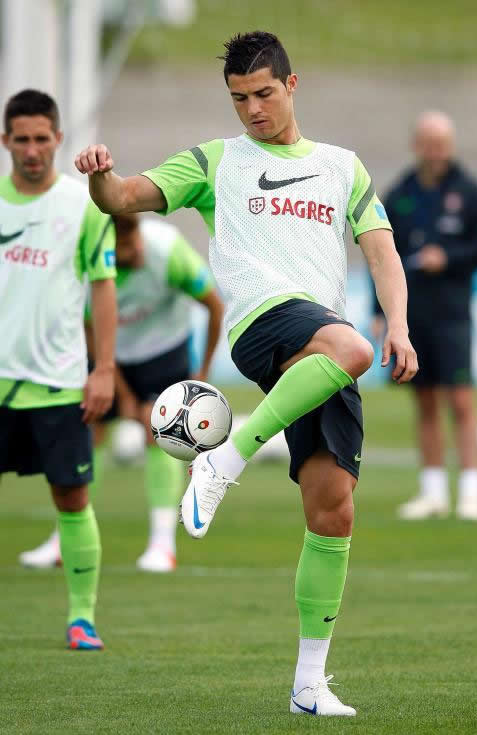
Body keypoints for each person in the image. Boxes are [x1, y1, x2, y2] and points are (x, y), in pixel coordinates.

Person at [75, 32, 417, 716]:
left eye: (263, 94)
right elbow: (126, 198)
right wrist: (98, 177)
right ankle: (222, 460)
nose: (252, 110)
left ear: (293, 85)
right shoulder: (214, 160)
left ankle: (307, 685)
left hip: (319, 332)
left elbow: (380, 249)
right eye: (238, 98)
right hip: (263, 318)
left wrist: (399, 323)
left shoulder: (342, 167)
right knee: (350, 348)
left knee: (333, 507)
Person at [21, 212, 223, 572]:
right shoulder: (83, 269)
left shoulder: (167, 248)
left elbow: (214, 304)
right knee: (90, 427)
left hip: (165, 347)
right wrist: (123, 394)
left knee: (155, 431)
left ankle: (163, 543)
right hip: (108, 352)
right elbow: (88, 330)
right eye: (126, 248)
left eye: (135, 241)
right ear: (107, 249)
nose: (136, 251)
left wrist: (203, 373)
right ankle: (63, 541)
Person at [0, 89, 117, 649]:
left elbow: (103, 290)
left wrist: (104, 369)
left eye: (41, 138)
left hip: (60, 383)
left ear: (57, 139)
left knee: (71, 498)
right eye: (20, 139)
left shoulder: (85, 206)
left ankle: (81, 618)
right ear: (5, 141)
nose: (31, 149)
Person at [372, 111, 477, 521]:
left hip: (452, 314)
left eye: (443, 143)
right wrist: (378, 311)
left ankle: (473, 491)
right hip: (412, 315)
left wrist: (449, 258)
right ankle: (433, 491)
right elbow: (382, 255)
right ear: (417, 144)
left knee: (460, 400)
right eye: (429, 143)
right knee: (423, 401)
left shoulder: (469, 192)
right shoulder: (401, 192)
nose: (437, 151)